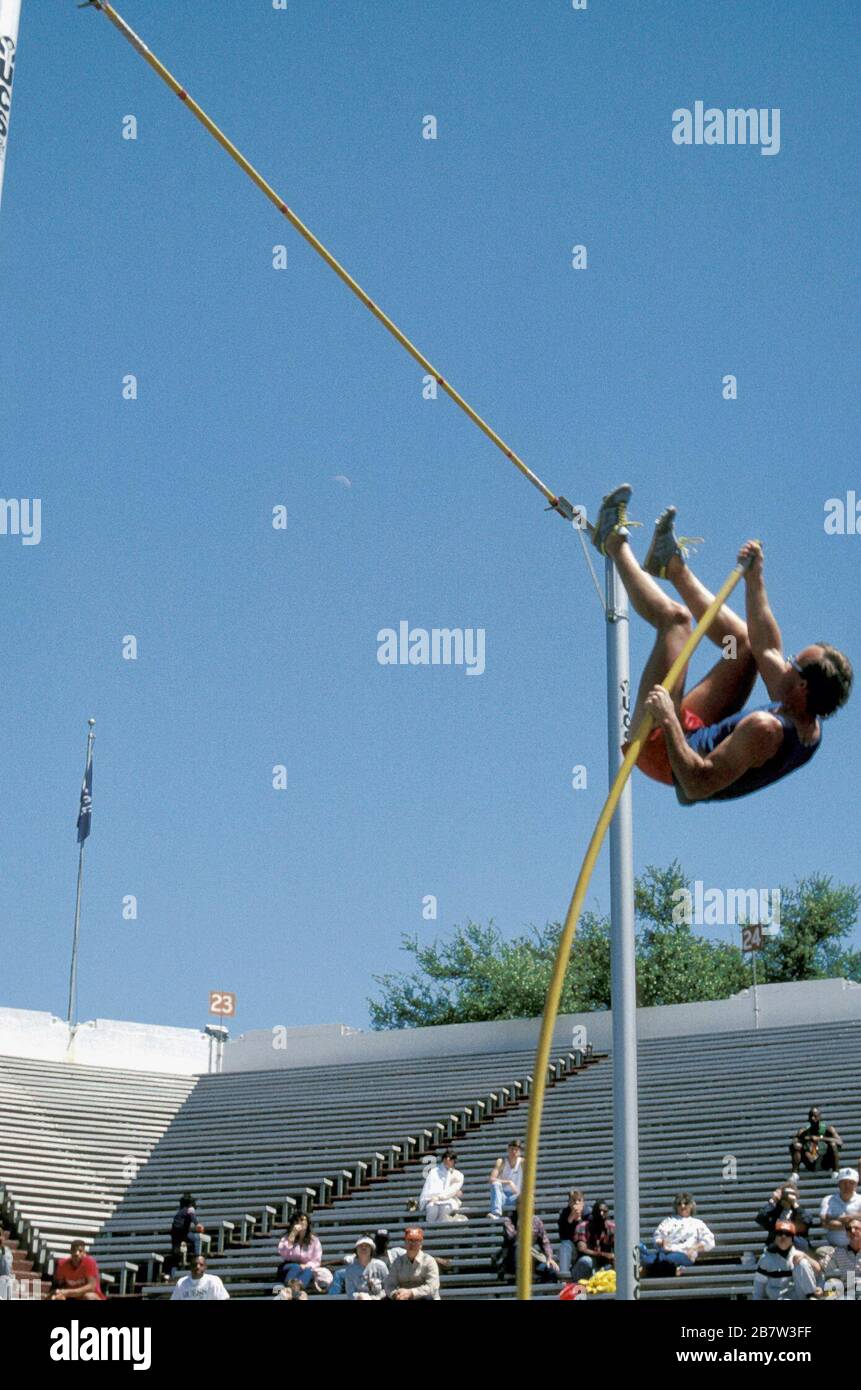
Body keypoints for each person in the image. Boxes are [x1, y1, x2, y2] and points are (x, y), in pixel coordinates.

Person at [590, 485, 852, 805]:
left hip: (666, 754)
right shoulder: (805, 715)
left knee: (676, 622)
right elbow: (764, 646)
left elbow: (697, 786)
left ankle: (612, 541)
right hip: (698, 731)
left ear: (801, 686)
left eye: (793, 661)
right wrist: (755, 581)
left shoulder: (765, 729)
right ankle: (669, 565)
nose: (784, 660)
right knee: (741, 645)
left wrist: (670, 720)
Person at [639, 1194, 715, 1277]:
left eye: (685, 1203)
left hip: (683, 1253)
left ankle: (657, 1271)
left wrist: (694, 1248)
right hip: (665, 1252)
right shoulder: (669, 1221)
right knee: (648, 1260)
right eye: (679, 1204)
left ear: (691, 1206)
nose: (682, 1206)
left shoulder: (697, 1223)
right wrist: (662, 1242)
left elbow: (709, 1241)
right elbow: (658, 1236)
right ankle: (672, 1271)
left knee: (664, 1261)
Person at [752, 1222, 820, 1301]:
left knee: (802, 1262)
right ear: (775, 1237)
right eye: (780, 1233)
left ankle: (811, 1296)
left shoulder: (798, 1254)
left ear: (792, 1238)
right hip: (778, 1298)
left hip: (799, 1296)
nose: (783, 1237)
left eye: (787, 1234)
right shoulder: (766, 1258)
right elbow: (758, 1286)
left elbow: (818, 1269)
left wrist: (806, 1257)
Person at [500, 1203, 559, 1283]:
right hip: (513, 1260)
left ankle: (540, 1293)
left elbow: (545, 1242)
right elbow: (512, 1238)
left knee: (552, 1270)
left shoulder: (536, 1220)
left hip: (530, 1259)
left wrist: (549, 1257)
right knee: (518, 1245)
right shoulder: (509, 1221)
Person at [384, 1227, 440, 1300]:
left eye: (416, 1240)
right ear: (405, 1243)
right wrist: (395, 1294)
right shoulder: (398, 1262)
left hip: (422, 1297)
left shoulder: (429, 1261)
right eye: (409, 1240)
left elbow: (432, 1287)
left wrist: (411, 1293)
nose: (412, 1244)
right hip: (403, 1298)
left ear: (421, 1244)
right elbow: (389, 1285)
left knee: (428, 1298)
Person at [756, 1183, 815, 1251]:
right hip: (776, 1249)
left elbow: (808, 1221)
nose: (787, 1196)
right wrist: (773, 1201)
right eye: (785, 1193)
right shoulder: (774, 1211)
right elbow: (760, 1218)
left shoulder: (799, 1211)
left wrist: (794, 1203)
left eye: (791, 1193)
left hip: (797, 1248)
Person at [789, 1107, 843, 1180]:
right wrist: (806, 1151)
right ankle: (795, 1174)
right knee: (797, 1145)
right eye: (811, 1116)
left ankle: (835, 1172)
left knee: (833, 1144)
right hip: (811, 1161)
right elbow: (792, 1145)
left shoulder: (828, 1129)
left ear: (820, 1117)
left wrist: (821, 1138)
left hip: (825, 1161)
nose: (812, 1118)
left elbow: (840, 1142)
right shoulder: (803, 1132)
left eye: (815, 1116)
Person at [275, 1212, 323, 1291]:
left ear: (307, 1223)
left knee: (309, 1271)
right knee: (296, 1267)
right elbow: (284, 1254)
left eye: (302, 1220)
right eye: (296, 1221)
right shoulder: (287, 1238)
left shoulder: (314, 1240)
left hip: (306, 1267)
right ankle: (290, 1288)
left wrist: (306, 1265)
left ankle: (296, 1290)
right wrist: (292, 1235)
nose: (299, 1223)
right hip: (288, 1267)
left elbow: (316, 1260)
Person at [572, 1199, 615, 1282]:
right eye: (599, 1211)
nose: (601, 1214)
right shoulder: (582, 1227)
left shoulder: (612, 1228)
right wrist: (604, 1254)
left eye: (604, 1211)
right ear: (593, 1213)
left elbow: (619, 1248)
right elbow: (582, 1249)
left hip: (604, 1265)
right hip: (587, 1266)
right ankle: (579, 1289)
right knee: (586, 1261)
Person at [420, 1148, 466, 1223]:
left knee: (446, 1208)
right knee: (432, 1208)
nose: (447, 1161)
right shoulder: (434, 1171)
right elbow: (429, 1187)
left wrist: (439, 1197)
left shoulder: (458, 1175)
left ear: (453, 1161)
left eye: (450, 1160)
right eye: (446, 1159)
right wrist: (430, 1198)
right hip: (432, 1198)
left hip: (448, 1199)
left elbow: (452, 1190)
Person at [817, 1217, 861, 1295]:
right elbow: (821, 1268)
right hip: (849, 1291)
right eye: (848, 1229)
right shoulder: (839, 1252)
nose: (852, 1231)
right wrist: (804, 1256)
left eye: (857, 1228)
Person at [819, 1169, 861, 1249]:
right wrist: (853, 1224)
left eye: (851, 1183)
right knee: (821, 1251)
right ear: (839, 1184)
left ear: (856, 1185)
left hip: (858, 1248)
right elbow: (824, 1222)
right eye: (844, 1182)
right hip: (834, 1247)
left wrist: (850, 1217)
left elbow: (829, 1222)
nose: (847, 1186)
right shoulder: (828, 1200)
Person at [164, 1192, 203, 1278]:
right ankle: (197, 1258)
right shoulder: (190, 1209)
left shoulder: (179, 1212)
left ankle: (172, 1274)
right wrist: (197, 1224)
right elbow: (193, 1217)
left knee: (175, 1253)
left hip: (175, 1232)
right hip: (183, 1232)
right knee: (197, 1239)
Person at [488, 1139, 524, 1220]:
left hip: (516, 1196)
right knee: (495, 1184)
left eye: (516, 1150)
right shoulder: (501, 1162)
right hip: (502, 1196)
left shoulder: (522, 1162)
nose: (514, 1152)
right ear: (508, 1150)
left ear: (520, 1152)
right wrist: (508, 1182)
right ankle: (496, 1213)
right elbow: (491, 1179)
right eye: (512, 1149)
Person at [557, 1189, 586, 1278]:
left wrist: (580, 1219)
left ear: (583, 1203)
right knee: (565, 1245)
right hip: (572, 1248)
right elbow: (563, 1236)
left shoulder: (588, 1213)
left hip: (585, 1249)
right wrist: (571, 1217)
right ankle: (564, 1276)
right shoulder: (564, 1213)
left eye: (579, 1200)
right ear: (569, 1202)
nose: (576, 1203)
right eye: (573, 1200)